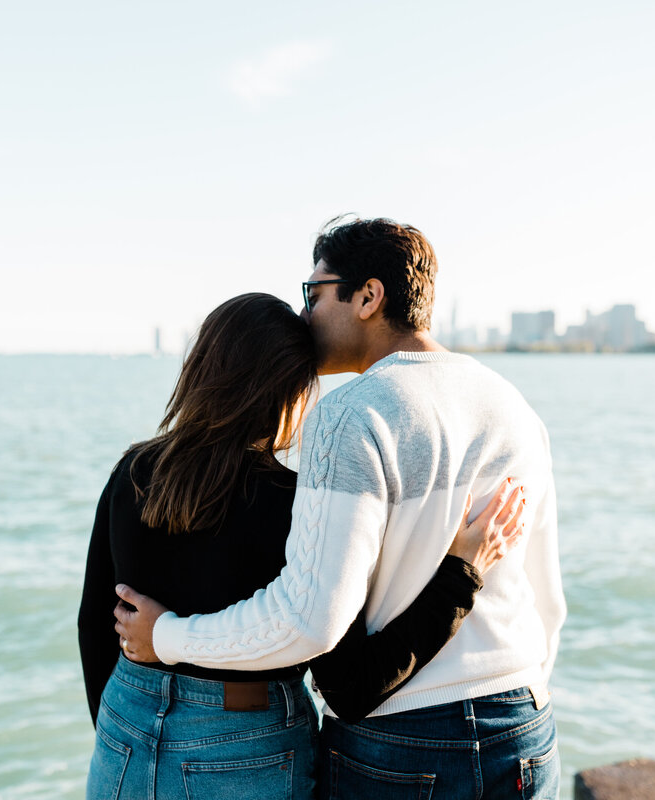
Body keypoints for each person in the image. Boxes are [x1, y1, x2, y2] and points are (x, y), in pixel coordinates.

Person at [115, 218, 567, 800]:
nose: (304, 316)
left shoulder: (350, 414)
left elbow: (309, 620)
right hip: (526, 723)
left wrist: (168, 638)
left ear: (368, 297)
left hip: (404, 740)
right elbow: (547, 600)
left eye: (314, 293)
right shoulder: (513, 405)